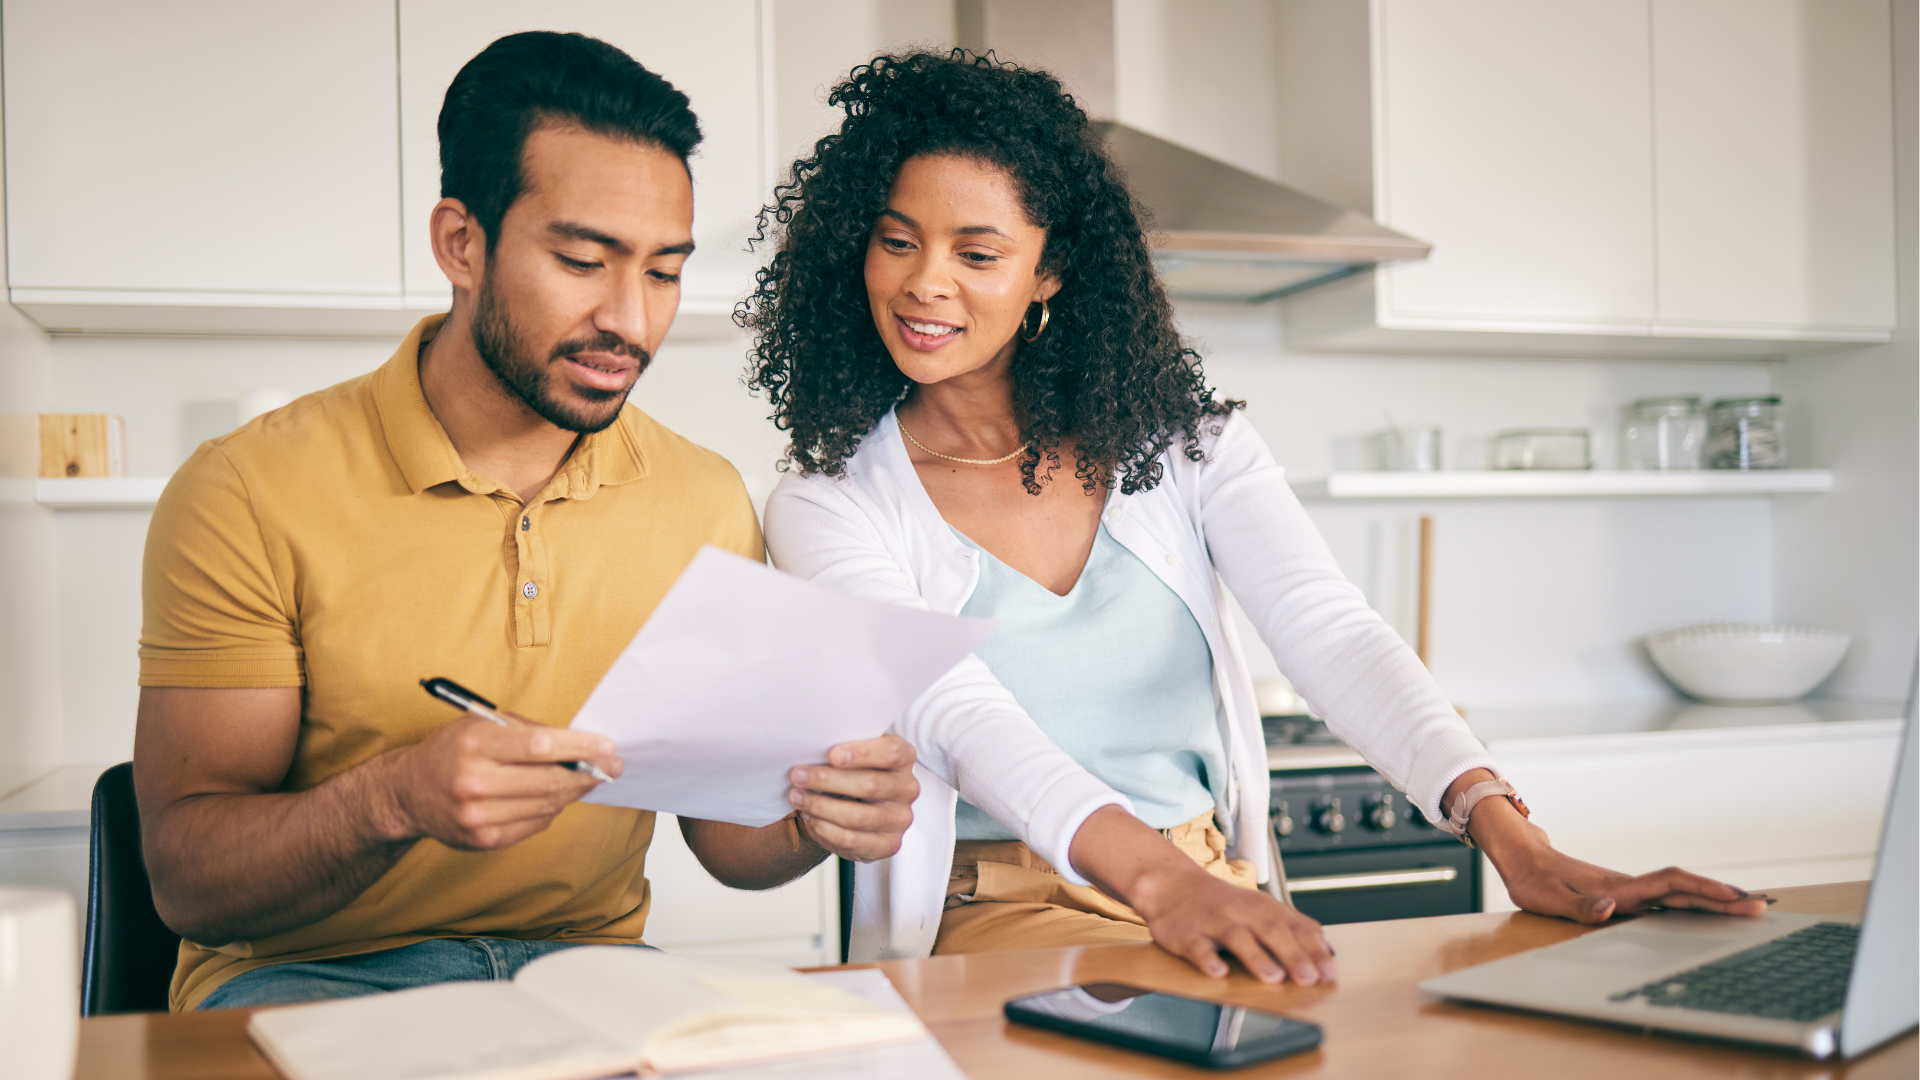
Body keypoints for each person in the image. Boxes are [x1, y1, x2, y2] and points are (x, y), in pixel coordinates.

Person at [744, 50, 1766, 983]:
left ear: (1047, 274)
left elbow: (1333, 634)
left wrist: (1517, 845)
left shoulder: (1185, 446)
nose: (926, 282)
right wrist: (1157, 885)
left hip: (1209, 886)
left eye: (978, 253)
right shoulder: (829, 502)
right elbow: (958, 717)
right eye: (897, 242)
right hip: (1000, 916)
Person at [135, 31, 917, 1012]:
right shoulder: (247, 489)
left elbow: (728, 844)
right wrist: (393, 800)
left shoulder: (703, 498)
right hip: (307, 981)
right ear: (461, 243)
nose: (631, 320)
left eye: (664, 272)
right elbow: (187, 882)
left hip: (593, 980)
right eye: (584, 260)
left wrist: (821, 816)